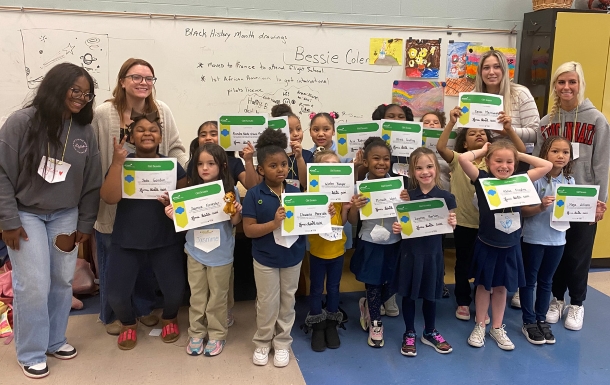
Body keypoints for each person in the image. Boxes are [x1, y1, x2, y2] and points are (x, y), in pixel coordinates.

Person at [0, 62, 102, 378]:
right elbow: (1, 173)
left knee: (61, 280)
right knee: (32, 284)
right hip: (26, 214)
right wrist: (8, 220)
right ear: (56, 86)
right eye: (75, 90)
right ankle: (30, 351)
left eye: (87, 94)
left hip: (65, 216)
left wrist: (85, 224)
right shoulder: (20, 123)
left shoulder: (84, 130)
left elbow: (91, 181)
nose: (82, 98)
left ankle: (55, 339)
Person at [92, 58, 187, 335]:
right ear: (122, 81)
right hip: (117, 205)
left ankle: (145, 309)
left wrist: (184, 183)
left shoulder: (162, 110)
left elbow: (176, 148)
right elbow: (96, 157)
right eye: (136, 77)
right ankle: (118, 317)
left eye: (149, 78)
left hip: (157, 212)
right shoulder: (103, 113)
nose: (143, 82)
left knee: (152, 268)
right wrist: (116, 166)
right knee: (117, 270)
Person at [536, 61, 610, 331]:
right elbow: (537, 160)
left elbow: (602, 164)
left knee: (578, 254)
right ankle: (556, 299)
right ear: (555, 86)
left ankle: (577, 303)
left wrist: (600, 202)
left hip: (583, 200)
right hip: (553, 200)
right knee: (556, 252)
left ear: (580, 85)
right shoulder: (546, 123)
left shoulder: (597, 120)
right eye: (561, 82)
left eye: (572, 82)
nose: (566, 87)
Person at [459, 140, 552, 351]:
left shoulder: (520, 180)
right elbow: (464, 158)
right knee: (483, 286)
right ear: (488, 162)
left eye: (509, 162)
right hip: (486, 244)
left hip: (510, 246)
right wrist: (483, 150)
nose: (504, 165)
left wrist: (520, 154)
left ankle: (497, 327)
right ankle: (481, 323)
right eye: (498, 160)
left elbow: (545, 166)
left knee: (500, 288)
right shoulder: (482, 180)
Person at [437, 107, 524, 322]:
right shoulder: (459, 159)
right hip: (465, 222)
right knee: (463, 262)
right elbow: (440, 147)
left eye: (483, 132)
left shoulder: (496, 164)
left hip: (489, 226)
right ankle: (463, 301)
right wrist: (451, 123)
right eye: (472, 133)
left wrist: (507, 130)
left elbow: (520, 152)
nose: (478, 134)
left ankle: (481, 302)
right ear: (464, 143)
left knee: (484, 266)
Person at [165, 143, 242, 356]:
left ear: (222, 166)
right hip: (195, 251)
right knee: (197, 295)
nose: (204, 168)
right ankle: (196, 332)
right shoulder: (188, 193)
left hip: (221, 253)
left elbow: (235, 221)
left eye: (210, 163)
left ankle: (217, 334)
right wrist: (174, 216)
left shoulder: (230, 190)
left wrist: (236, 210)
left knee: (218, 296)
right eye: (200, 164)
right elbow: (184, 224)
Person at [242, 129, 306, 367]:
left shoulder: (296, 192)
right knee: (267, 302)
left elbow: (307, 223)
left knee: (287, 301)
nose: (280, 169)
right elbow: (249, 230)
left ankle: (282, 342)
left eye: (283, 164)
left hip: (292, 257)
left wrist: (322, 214)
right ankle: (262, 341)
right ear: (261, 170)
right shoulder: (253, 195)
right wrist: (274, 223)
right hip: (265, 259)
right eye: (273, 165)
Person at [392, 147, 457, 357]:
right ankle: (409, 332)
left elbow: (450, 225)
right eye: (419, 168)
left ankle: (429, 331)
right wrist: (398, 227)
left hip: (433, 255)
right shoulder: (407, 197)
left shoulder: (446, 197)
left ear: (437, 168)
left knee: (431, 295)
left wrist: (452, 222)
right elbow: (402, 224)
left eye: (429, 166)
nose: (425, 171)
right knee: (409, 295)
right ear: (411, 172)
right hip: (410, 254)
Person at [349, 137, 408, 348]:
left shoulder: (399, 187)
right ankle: (375, 322)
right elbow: (353, 222)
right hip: (370, 241)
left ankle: (367, 304)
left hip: (395, 242)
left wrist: (406, 204)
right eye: (376, 158)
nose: (381, 163)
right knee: (373, 283)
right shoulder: (359, 187)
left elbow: (406, 218)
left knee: (395, 282)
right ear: (365, 161)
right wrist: (354, 207)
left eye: (386, 159)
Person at [520, 136, 574, 345]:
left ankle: (542, 319)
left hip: (558, 240)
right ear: (545, 154)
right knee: (528, 281)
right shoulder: (534, 179)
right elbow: (523, 211)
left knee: (546, 281)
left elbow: (575, 212)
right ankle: (528, 321)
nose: (560, 156)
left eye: (565, 152)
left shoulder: (570, 182)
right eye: (555, 151)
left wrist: (590, 209)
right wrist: (540, 207)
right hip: (533, 238)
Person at [303, 150, 351, 352]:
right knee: (315, 288)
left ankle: (331, 322)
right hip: (317, 251)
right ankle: (317, 324)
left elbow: (343, 221)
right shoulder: (311, 195)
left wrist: (346, 208)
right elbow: (306, 222)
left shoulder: (341, 195)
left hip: (337, 250)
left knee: (333, 288)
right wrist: (322, 211)